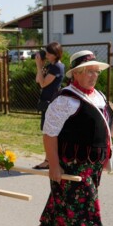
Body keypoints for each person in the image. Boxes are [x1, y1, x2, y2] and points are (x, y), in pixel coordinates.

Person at [31, 50, 113, 226]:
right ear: (76, 74)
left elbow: (109, 122)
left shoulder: (97, 95)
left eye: (96, 72)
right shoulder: (65, 100)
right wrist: (54, 165)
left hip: (93, 166)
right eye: (89, 71)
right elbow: (49, 134)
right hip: (72, 166)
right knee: (87, 210)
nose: (94, 75)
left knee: (63, 200)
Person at [32, 42, 65, 170]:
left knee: (49, 132)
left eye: (48, 53)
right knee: (48, 132)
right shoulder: (51, 66)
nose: (46, 55)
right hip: (47, 103)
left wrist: (39, 67)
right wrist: (40, 67)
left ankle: (48, 160)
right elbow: (37, 80)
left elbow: (43, 84)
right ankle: (50, 159)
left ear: (56, 54)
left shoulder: (57, 67)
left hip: (51, 104)